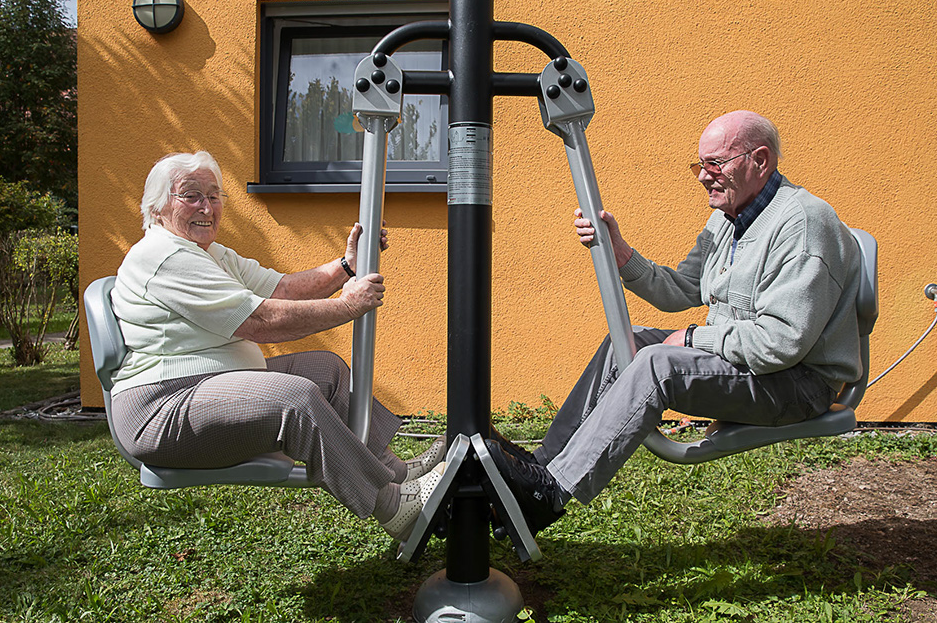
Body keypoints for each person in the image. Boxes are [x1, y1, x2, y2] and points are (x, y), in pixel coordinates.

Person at [485, 111, 862, 533]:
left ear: (760, 160)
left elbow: (781, 343)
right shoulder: (729, 218)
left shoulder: (805, 224)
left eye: (716, 164)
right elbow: (681, 289)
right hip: (749, 364)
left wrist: (696, 338)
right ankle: (538, 467)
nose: (702, 176)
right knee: (626, 343)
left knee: (656, 364)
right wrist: (622, 253)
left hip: (797, 382)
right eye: (700, 164)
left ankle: (548, 494)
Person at [109, 151, 445, 541]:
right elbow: (261, 321)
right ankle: (394, 506)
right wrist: (347, 306)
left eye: (214, 196)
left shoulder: (208, 253)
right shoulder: (164, 257)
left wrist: (346, 267)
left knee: (325, 371)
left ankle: (394, 472)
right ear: (157, 207)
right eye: (191, 195)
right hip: (162, 409)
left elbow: (282, 289)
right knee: (295, 397)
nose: (207, 207)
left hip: (207, 383)